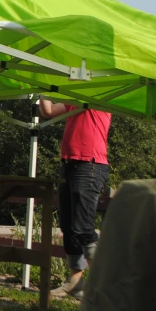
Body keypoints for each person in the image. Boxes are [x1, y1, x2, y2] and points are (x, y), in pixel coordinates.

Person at [39, 99, 111, 300]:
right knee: (68, 226)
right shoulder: (73, 99)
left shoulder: (99, 95)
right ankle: (76, 283)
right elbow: (49, 111)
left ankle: (103, 286)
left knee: (82, 227)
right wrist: (44, 88)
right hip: (70, 163)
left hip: (90, 164)